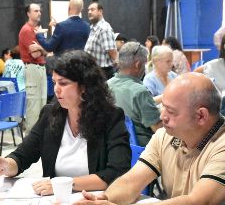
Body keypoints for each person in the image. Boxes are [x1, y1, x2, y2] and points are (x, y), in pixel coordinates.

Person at [0, 50, 131, 196]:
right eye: (55, 82)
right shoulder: (50, 114)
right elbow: (22, 156)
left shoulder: (110, 117)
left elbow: (117, 172)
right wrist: (6, 166)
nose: (56, 89)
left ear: (84, 86)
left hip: (94, 199)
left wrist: (64, 184)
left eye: (63, 83)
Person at [74, 73, 225, 205]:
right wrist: (103, 198)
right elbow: (131, 182)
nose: (162, 116)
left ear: (201, 116)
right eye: (163, 107)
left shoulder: (221, 145)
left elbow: (198, 201)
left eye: (171, 111)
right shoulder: (165, 136)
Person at [108, 42, 162, 146]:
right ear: (138, 65)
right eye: (145, 64)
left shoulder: (107, 85)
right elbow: (159, 129)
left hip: (116, 145)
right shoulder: (140, 92)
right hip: (143, 150)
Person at [19, 3, 47, 135]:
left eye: (39, 11)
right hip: (32, 69)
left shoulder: (35, 31)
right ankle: (30, 143)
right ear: (28, 14)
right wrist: (44, 49)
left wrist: (42, 48)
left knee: (42, 105)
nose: (39, 13)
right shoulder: (26, 31)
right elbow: (36, 54)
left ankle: (39, 140)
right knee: (34, 107)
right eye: (36, 11)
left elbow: (44, 51)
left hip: (40, 68)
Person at [84, 2, 118, 79]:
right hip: (94, 72)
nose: (89, 12)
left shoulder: (104, 28)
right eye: (88, 10)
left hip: (103, 74)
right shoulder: (93, 28)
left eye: (92, 10)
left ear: (100, 12)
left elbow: (113, 53)